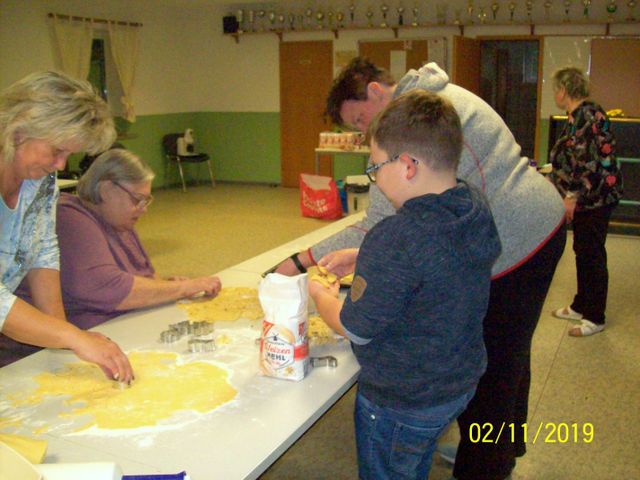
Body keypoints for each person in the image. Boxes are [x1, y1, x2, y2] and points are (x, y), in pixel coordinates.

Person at [277, 58, 568, 480]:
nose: (365, 134)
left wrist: (303, 262)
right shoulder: (435, 112)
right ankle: (499, 447)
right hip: (522, 225)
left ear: (376, 92)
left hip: (524, 240)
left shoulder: (409, 134)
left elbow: (383, 228)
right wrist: (361, 254)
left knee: (499, 362)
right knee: (508, 354)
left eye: (360, 121)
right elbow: (420, 239)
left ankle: (485, 465)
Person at [309, 90, 501, 480]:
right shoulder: (472, 204)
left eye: (376, 166)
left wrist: (320, 295)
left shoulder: (396, 237)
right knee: (414, 458)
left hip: (401, 402)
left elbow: (355, 328)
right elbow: (439, 261)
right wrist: (365, 256)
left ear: (408, 166)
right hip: (456, 382)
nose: (375, 179)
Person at [0, 71, 132, 382]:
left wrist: (59, 341)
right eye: (57, 151)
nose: (61, 165)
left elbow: (43, 251)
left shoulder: (40, 181)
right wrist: (72, 337)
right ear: (19, 130)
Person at [57, 148, 221, 329]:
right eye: (137, 200)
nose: (144, 209)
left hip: (128, 322)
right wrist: (184, 288)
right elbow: (108, 289)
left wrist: (166, 286)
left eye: (146, 201)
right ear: (105, 190)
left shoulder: (119, 220)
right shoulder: (68, 216)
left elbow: (145, 275)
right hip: (98, 330)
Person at [549, 67, 622, 337]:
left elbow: (586, 162)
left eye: (556, 89)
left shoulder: (585, 116)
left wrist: (571, 196)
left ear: (564, 90)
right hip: (589, 197)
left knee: (592, 255)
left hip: (595, 198)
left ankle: (595, 316)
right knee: (583, 250)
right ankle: (581, 305)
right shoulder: (580, 114)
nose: (555, 94)